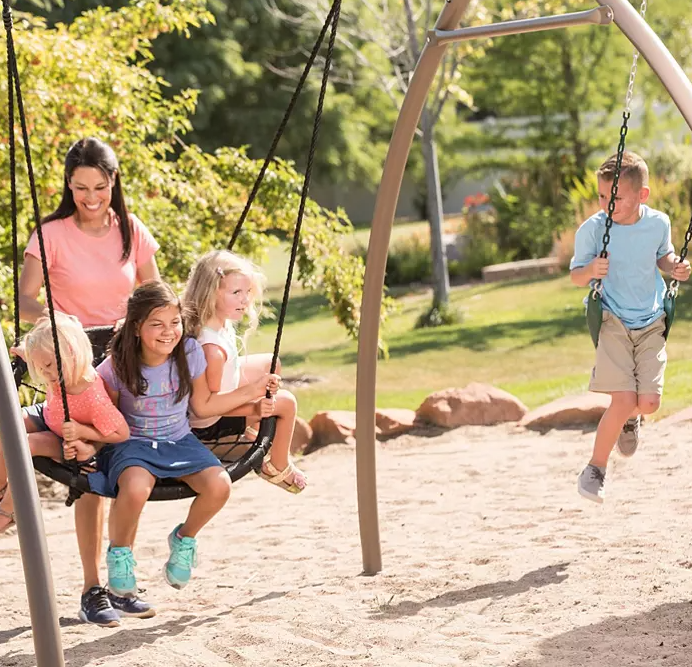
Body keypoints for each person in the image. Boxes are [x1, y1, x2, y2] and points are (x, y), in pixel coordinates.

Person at [9, 137, 160, 625]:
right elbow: (26, 299)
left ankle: (121, 582)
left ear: (113, 183)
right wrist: (66, 321)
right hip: (73, 360)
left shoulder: (130, 231)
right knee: (91, 475)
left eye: (99, 186)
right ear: (68, 186)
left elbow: (154, 294)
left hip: (123, 360)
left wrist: (138, 321)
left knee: (127, 465)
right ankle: (92, 587)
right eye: (80, 188)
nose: (91, 197)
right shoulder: (50, 233)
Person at [88, 281, 279, 594]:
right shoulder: (117, 365)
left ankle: (184, 539)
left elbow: (204, 404)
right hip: (133, 444)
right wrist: (84, 444)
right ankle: (120, 552)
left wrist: (254, 395)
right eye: (157, 324)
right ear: (136, 328)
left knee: (219, 486)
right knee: (136, 489)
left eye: (174, 323)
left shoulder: (189, 352)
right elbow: (106, 415)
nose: (168, 332)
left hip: (179, 440)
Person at [571, 151, 691, 504]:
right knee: (623, 399)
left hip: (652, 320)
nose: (607, 204)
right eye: (602, 196)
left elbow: (662, 255)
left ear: (642, 195)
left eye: (616, 197)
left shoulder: (658, 223)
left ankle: (629, 419)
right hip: (613, 320)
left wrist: (675, 266)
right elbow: (577, 275)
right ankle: (595, 469)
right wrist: (592, 270)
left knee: (649, 403)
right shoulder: (593, 230)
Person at [183, 250, 306, 493]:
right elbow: (206, 407)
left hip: (222, 397)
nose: (245, 300)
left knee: (270, 363)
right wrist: (254, 394)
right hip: (209, 422)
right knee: (286, 403)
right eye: (236, 293)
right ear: (210, 293)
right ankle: (277, 465)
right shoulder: (211, 351)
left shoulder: (216, 322)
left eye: (247, 292)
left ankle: (252, 431)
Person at [0, 314, 130, 533]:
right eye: (40, 367)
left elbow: (121, 432)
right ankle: (1, 488)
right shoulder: (60, 370)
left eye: (49, 365)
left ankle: (9, 508)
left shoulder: (92, 396)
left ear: (71, 353)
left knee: (24, 444)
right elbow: (46, 350)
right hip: (49, 416)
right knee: (7, 426)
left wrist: (82, 430)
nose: (46, 374)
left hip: (68, 439)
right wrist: (27, 354)